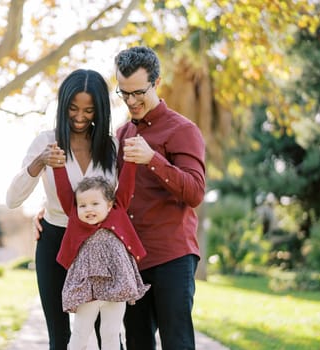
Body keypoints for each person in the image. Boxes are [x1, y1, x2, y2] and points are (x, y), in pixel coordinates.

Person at [6, 68, 117, 350]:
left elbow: (120, 201)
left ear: (100, 110)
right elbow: (13, 199)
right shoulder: (46, 142)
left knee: (105, 335)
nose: (80, 117)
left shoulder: (111, 147)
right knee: (60, 337)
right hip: (55, 242)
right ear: (63, 105)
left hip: (99, 246)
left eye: (89, 110)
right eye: (73, 108)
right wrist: (39, 162)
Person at [114, 46, 206, 349]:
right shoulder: (121, 134)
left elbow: (194, 192)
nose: (131, 101)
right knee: (137, 343)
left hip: (172, 256)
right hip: (131, 260)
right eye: (123, 93)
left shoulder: (183, 130)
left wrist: (153, 159)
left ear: (157, 82)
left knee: (177, 342)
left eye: (138, 92)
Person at [51, 139, 149, 350]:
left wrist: (130, 161)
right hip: (89, 287)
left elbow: (127, 183)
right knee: (80, 332)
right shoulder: (76, 220)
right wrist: (58, 166)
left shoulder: (118, 211)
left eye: (95, 203)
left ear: (110, 204)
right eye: (83, 205)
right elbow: (63, 191)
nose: (88, 209)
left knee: (111, 333)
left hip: (117, 283)